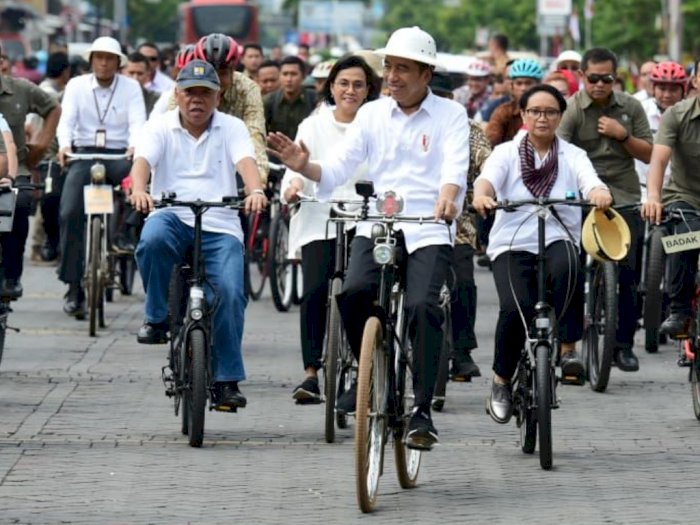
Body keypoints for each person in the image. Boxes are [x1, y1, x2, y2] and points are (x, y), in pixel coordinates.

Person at [268, 26, 470, 450]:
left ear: (426, 74)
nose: (392, 76)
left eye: (403, 69)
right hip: (378, 221)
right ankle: (369, 370)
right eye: (389, 67)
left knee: (422, 305)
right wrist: (304, 166)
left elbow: (454, 169)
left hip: (429, 223)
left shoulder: (451, 115)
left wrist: (449, 198)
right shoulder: (373, 113)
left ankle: (421, 410)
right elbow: (338, 169)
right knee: (353, 291)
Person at [130, 60, 267, 409]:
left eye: (205, 93)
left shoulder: (232, 128)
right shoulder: (158, 126)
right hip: (172, 215)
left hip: (220, 224)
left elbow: (246, 163)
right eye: (190, 92)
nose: (196, 100)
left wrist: (254, 190)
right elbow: (142, 162)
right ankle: (157, 317)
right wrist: (140, 190)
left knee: (232, 293)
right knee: (152, 239)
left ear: (217, 97)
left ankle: (225, 381)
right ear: (177, 94)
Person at [473, 84, 613, 423]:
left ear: (560, 116)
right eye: (534, 111)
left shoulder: (572, 154)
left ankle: (567, 350)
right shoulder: (506, 152)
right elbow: (486, 181)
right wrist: (483, 196)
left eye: (550, 112)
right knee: (515, 307)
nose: (542, 118)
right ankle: (501, 381)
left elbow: (590, 181)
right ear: (523, 114)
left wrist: (599, 193)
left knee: (570, 267)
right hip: (512, 241)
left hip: (557, 235)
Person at [279, 56, 379, 403]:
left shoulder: (377, 124)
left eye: (358, 85)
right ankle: (310, 374)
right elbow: (297, 164)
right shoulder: (313, 125)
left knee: (361, 290)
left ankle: (366, 367)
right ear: (331, 87)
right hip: (319, 214)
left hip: (365, 217)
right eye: (343, 84)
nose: (350, 91)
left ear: (369, 90)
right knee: (315, 291)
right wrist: (291, 187)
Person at [558, 47, 653, 371]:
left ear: (616, 78)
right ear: (583, 77)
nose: (600, 85)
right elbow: (557, 153)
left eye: (607, 79)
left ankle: (623, 345)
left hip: (624, 193)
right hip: (581, 194)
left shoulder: (631, 107)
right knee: (567, 266)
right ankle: (567, 346)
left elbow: (649, 155)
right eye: (594, 78)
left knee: (628, 270)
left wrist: (622, 134)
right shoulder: (570, 109)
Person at [56, 36, 145, 318]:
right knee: (70, 212)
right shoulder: (76, 85)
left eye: (109, 58)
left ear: (119, 62)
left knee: (139, 188)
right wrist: (64, 146)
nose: (104, 63)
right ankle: (73, 286)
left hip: (119, 156)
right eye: (99, 57)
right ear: (91, 60)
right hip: (83, 155)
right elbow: (66, 121)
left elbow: (138, 124)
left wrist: (135, 147)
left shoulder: (131, 88)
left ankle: (122, 234)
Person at [641, 59, 700, 338]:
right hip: (685, 197)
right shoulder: (677, 115)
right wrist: (653, 196)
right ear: (695, 81)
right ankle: (679, 310)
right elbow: (659, 159)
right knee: (685, 238)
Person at [0, 44, 61, 298]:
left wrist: (42, 144)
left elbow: (53, 108)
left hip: (17, 170)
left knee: (20, 205)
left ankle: (13, 276)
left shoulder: (21, 89)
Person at [25, 51, 70, 264]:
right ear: (65, 71)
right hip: (45, 154)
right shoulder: (47, 94)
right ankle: (36, 247)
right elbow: (32, 126)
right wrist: (35, 152)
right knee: (46, 201)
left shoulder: (56, 92)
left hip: (51, 153)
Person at [636, 61, 687, 198]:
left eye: (673, 90)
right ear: (653, 88)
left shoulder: (690, 115)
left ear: (683, 90)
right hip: (642, 190)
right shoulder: (639, 111)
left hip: (679, 193)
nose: (667, 95)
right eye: (662, 89)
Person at [485, 58, 544, 147]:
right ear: (512, 87)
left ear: (539, 86)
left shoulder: (551, 111)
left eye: (528, 83)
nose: (523, 88)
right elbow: (490, 143)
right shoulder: (503, 112)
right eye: (519, 83)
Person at [264, 55, 316, 142]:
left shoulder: (314, 99)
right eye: (285, 74)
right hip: (276, 153)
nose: (289, 79)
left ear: (303, 76)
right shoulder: (269, 102)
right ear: (279, 76)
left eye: (293, 74)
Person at [123, 52, 161, 117]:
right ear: (122, 72)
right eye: (131, 73)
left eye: (140, 73)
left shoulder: (157, 100)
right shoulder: (111, 96)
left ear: (148, 74)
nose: (135, 78)